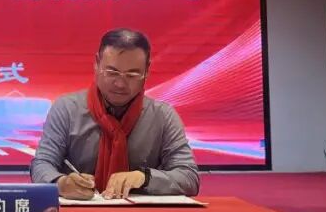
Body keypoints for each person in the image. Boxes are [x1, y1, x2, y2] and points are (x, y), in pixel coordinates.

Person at [30, 28, 199, 199]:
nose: (120, 84)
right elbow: (42, 164)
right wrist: (61, 184)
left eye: (132, 75)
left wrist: (145, 178)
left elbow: (189, 177)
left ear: (146, 71)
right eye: (111, 72)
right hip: (80, 211)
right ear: (97, 63)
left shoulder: (163, 116)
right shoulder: (67, 109)